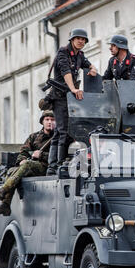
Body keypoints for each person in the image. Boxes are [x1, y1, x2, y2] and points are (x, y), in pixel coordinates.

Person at [46, 28, 97, 175]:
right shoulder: (63, 52)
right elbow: (66, 71)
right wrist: (74, 89)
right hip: (60, 96)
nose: (81, 41)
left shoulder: (80, 55)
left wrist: (92, 69)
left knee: (59, 132)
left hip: (69, 97)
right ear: (72, 40)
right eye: (78, 38)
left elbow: (88, 64)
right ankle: (58, 164)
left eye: (83, 39)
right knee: (63, 131)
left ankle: (52, 165)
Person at [0, 110, 55, 216]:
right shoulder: (34, 137)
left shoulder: (58, 139)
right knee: (12, 170)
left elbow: (60, 158)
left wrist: (42, 155)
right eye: (47, 119)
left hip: (46, 168)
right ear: (42, 122)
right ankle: (6, 205)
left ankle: (4, 189)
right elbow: (23, 151)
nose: (50, 122)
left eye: (52, 120)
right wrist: (22, 160)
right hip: (30, 166)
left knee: (27, 165)